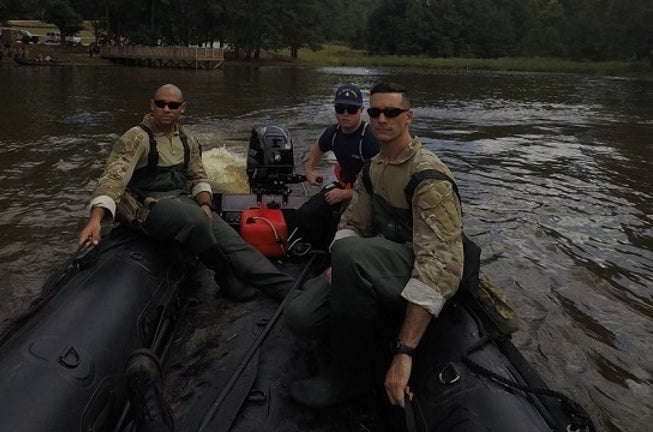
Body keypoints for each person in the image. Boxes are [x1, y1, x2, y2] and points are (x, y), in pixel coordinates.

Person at [284, 82, 465, 409]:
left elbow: (442, 265)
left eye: (391, 112)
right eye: (376, 112)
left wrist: (405, 351)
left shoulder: (428, 176)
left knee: (350, 254)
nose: (382, 118)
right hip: (379, 262)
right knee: (300, 315)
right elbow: (353, 222)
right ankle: (362, 320)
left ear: (408, 117)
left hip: (414, 267)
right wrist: (338, 262)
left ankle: (352, 374)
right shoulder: (374, 169)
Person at [78, 83, 294, 302]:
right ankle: (225, 275)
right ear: (152, 105)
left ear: (182, 108)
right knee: (197, 222)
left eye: (172, 105)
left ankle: (288, 290)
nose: (166, 109)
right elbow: (114, 178)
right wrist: (96, 218)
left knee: (231, 240)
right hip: (148, 208)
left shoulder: (187, 139)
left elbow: (197, 176)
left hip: (183, 200)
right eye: (161, 104)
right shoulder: (136, 138)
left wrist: (205, 204)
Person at [295, 84, 380, 251]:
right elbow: (318, 147)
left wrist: (347, 195)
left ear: (361, 110)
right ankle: (316, 251)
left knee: (339, 223)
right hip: (344, 185)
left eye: (351, 109)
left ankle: (334, 258)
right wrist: (309, 170)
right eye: (340, 108)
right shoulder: (333, 133)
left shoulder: (370, 139)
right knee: (306, 214)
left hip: (368, 194)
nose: (345, 114)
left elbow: (382, 183)